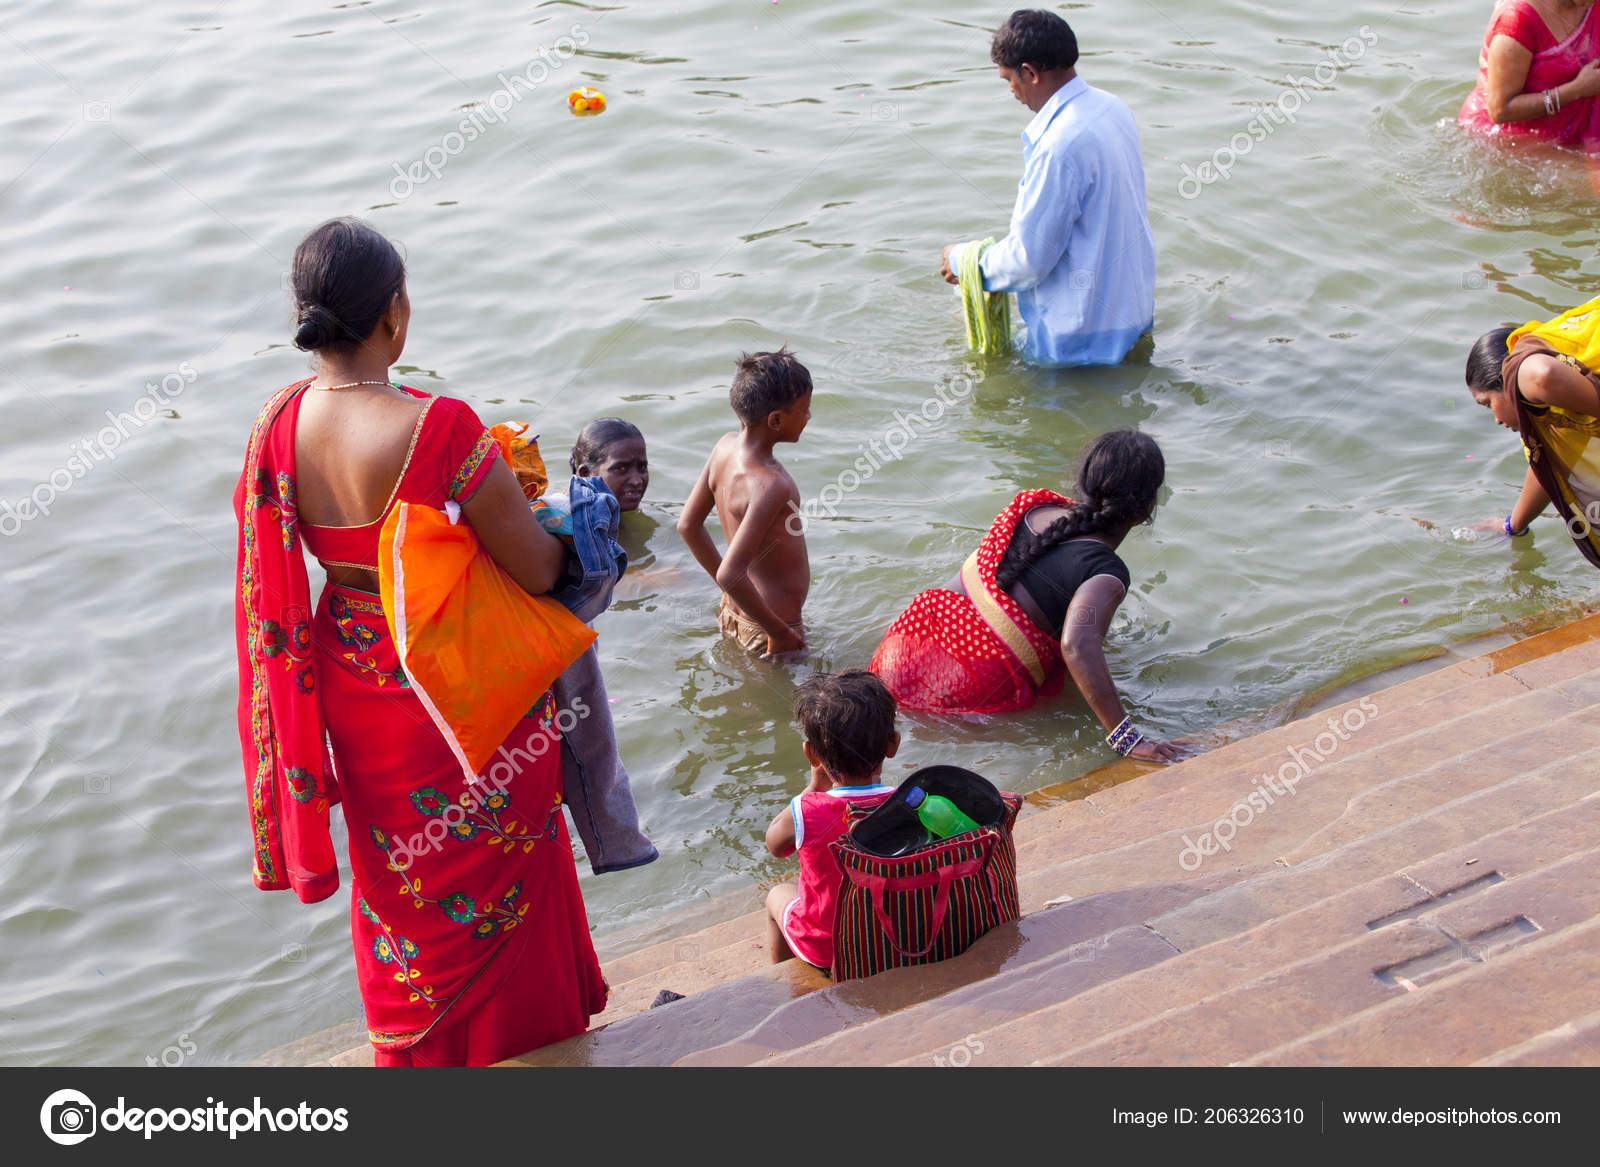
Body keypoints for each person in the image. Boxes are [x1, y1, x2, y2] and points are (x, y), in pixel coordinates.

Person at [233, 217, 607, 1067]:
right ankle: (529, 1050)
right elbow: (541, 569)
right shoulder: (439, 427)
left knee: (397, 881)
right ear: (395, 315)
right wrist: (568, 521)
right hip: (453, 688)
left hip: (356, 689)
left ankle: (417, 1053)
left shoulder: (278, 426)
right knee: (505, 873)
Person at [870, 430, 1192, 763]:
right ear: (1148, 507)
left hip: (907, 642)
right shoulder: (1106, 573)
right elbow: (1077, 646)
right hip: (964, 684)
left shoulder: (1034, 506)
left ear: (1084, 480)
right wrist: (1128, 740)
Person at [938, 9, 1156, 366]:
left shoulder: (1058, 146)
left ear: (1029, 73)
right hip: (1130, 314)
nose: (1011, 91)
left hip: (1079, 342)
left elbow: (1029, 261)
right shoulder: (1111, 108)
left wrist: (964, 260)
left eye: (1009, 79)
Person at [677, 348, 812, 657]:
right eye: (803, 410)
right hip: (772, 626)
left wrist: (729, 592)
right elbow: (729, 573)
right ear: (776, 420)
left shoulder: (723, 447)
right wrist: (780, 632)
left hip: (737, 612)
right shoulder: (772, 484)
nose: (808, 417)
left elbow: (688, 526)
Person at [763, 671, 900, 969]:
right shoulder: (908, 801)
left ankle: (787, 979)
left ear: (812, 754)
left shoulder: (807, 809)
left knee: (776, 895)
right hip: (896, 939)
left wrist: (813, 787)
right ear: (893, 744)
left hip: (827, 949)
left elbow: (774, 844)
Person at [1466, 305, 1600, 567]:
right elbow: (1547, 467)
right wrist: (1513, 525)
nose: (1496, 419)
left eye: (1487, 403)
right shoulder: (1552, 409)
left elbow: (1541, 374)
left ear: (1503, 381)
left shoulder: (1520, 372)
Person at [1458, 1, 1600, 151]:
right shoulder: (1516, 21)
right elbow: (1500, 110)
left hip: (1580, 124)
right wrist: (1576, 90)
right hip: (1512, 140)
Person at [570, 418, 649, 514]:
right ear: (586, 474)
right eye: (621, 469)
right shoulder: (558, 521)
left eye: (642, 468)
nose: (637, 481)